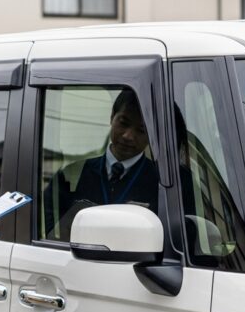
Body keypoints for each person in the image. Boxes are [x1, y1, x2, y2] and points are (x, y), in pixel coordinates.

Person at [43, 88, 160, 239]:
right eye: (123, 123)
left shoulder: (162, 183)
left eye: (141, 130)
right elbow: (52, 238)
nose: (128, 136)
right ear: (112, 117)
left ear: (152, 133)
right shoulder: (70, 176)